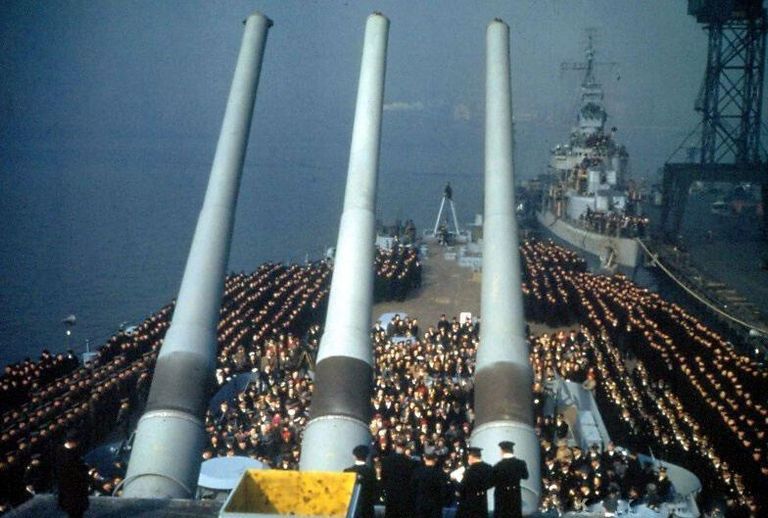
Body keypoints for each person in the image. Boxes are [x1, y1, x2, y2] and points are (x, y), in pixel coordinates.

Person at [55, 433, 89, 518]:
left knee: (78, 508)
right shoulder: (62, 453)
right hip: (70, 485)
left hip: (77, 484)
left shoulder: (73, 450)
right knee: (73, 507)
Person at [455, 446, 494, 518]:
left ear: (471, 457)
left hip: (470, 501)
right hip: (482, 500)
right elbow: (492, 482)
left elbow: (462, 488)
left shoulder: (470, 471)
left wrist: (457, 481)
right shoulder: (488, 468)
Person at [492, 441, 528, 518]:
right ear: (512, 450)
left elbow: (493, 482)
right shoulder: (520, 463)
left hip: (501, 495)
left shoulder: (497, 466)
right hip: (515, 493)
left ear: (502, 451)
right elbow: (525, 476)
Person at [381, 440, 416, 518]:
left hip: (391, 493)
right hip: (405, 495)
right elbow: (412, 481)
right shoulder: (410, 463)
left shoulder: (386, 461)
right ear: (405, 448)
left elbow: (383, 477)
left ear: (395, 446)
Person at [411, 452, 450, 518]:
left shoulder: (418, 472)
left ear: (424, 458)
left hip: (420, 503)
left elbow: (412, 487)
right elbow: (444, 490)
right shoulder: (440, 473)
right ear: (435, 459)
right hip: (435, 505)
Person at [344, 445, 376, 518]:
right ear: (367, 456)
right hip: (367, 508)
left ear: (354, 456)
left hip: (351, 508)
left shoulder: (347, 471)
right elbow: (374, 490)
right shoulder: (370, 472)